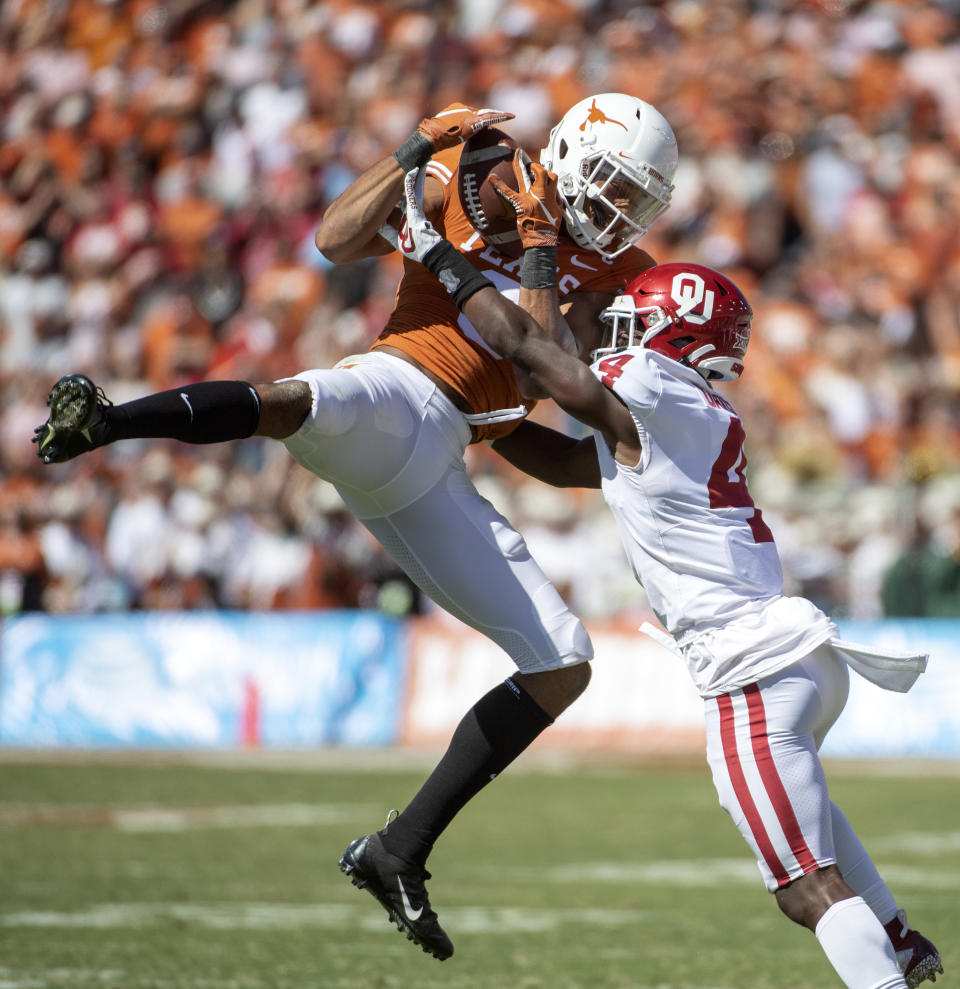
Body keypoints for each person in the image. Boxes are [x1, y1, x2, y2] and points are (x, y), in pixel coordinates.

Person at [32, 94, 679, 961]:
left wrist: (536, 258)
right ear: (566, 152)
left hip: (440, 462)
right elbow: (335, 240)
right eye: (605, 185)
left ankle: (397, 850)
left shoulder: (608, 270)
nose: (612, 212)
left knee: (563, 661)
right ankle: (109, 423)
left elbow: (547, 367)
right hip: (398, 389)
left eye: (631, 199)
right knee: (311, 400)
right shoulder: (487, 173)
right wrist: (413, 149)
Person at [390, 166, 944, 987]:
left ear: (670, 331)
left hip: (750, 668)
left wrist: (447, 262)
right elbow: (567, 462)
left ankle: (885, 968)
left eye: (631, 319)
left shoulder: (651, 384)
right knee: (810, 826)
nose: (612, 331)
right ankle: (897, 937)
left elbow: (538, 359)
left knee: (803, 886)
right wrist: (468, 417)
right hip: (796, 659)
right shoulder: (690, 411)